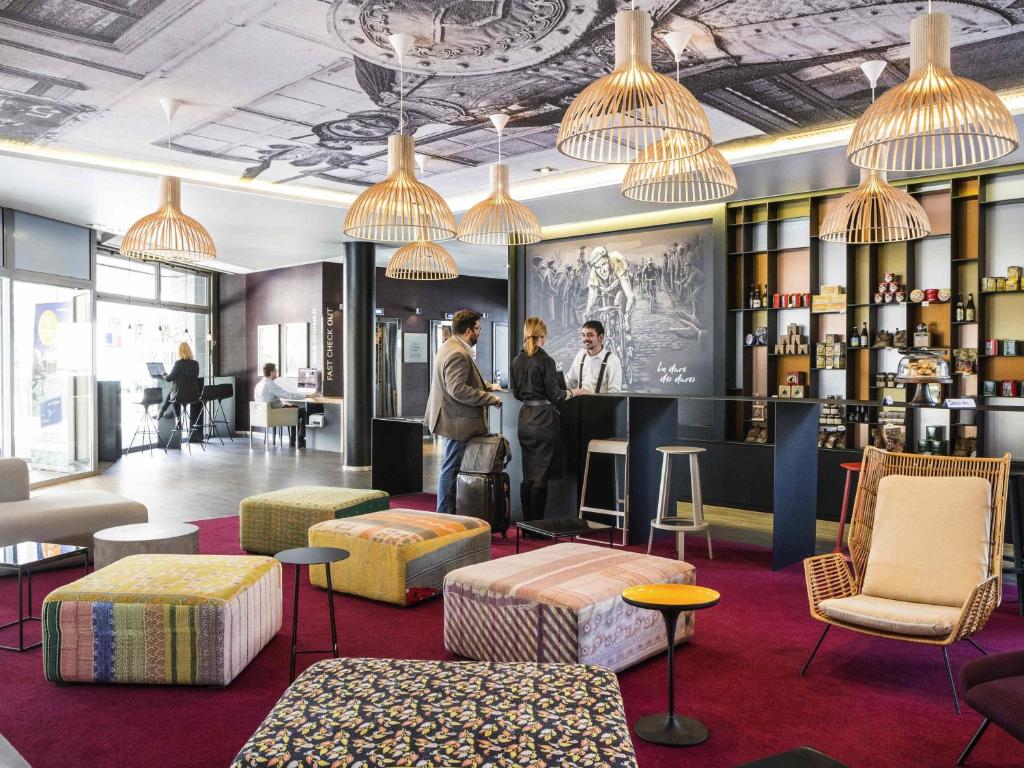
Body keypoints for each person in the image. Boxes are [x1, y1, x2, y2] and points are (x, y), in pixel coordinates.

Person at [425, 309, 502, 514]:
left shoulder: (450, 346)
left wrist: (487, 385)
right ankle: (446, 516)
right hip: (458, 421)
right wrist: (489, 398)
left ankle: (447, 514)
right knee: (451, 469)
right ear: (469, 330)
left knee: (451, 467)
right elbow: (457, 388)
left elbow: (464, 380)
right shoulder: (458, 352)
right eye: (478, 329)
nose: (479, 333)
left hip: (453, 419)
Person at [511, 318, 586, 523]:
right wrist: (575, 391)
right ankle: (538, 527)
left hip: (525, 420)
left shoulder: (517, 361)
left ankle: (527, 525)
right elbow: (557, 395)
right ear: (542, 336)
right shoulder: (546, 361)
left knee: (528, 474)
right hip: (544, 421)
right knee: (541, 475)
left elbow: (517, 394)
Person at [254, 362, 321, 446]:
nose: (277, 372)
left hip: (264, 414)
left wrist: (282, 403)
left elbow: (267, 400)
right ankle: (300, 438)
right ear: (272, 373)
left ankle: (293, 440)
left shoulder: (259, 384)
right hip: (274, 413)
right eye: (276, 371)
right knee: (303, 411)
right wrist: (308, 395)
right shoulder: (270, 384)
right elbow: (290, 395)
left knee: (294, 409)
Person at [583, 246, 635, 331]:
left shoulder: (617, 262)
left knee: (618, 302)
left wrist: (627, 315)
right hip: (606, 290)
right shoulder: (594, 272)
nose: (601, 270)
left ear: (607, 260)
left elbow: (630, 295)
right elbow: (592, 294)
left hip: (620, 286)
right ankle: (611, 332)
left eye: (603, 265)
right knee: (608, 315)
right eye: (598, 267)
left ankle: (626, 331)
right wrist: (588, 310)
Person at [564, 320, 623, 393]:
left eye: (590, 335)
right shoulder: (580, 355)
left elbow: (614, 393)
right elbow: (571, 382)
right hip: (580, 403)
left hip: (601, 404)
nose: (585, 339)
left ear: (600, 337)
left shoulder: (612, 360)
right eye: (583, 335)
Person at [157, 341, 201, 421]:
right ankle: (165, 412)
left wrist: (163, 374)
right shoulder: (196, 363)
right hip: (194, 395)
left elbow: (169, 379)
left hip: (180, 396)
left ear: (180, 352)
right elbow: (195, 377)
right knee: (174, 391)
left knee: (173, 394)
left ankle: (176, 418)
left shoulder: (178, 363)